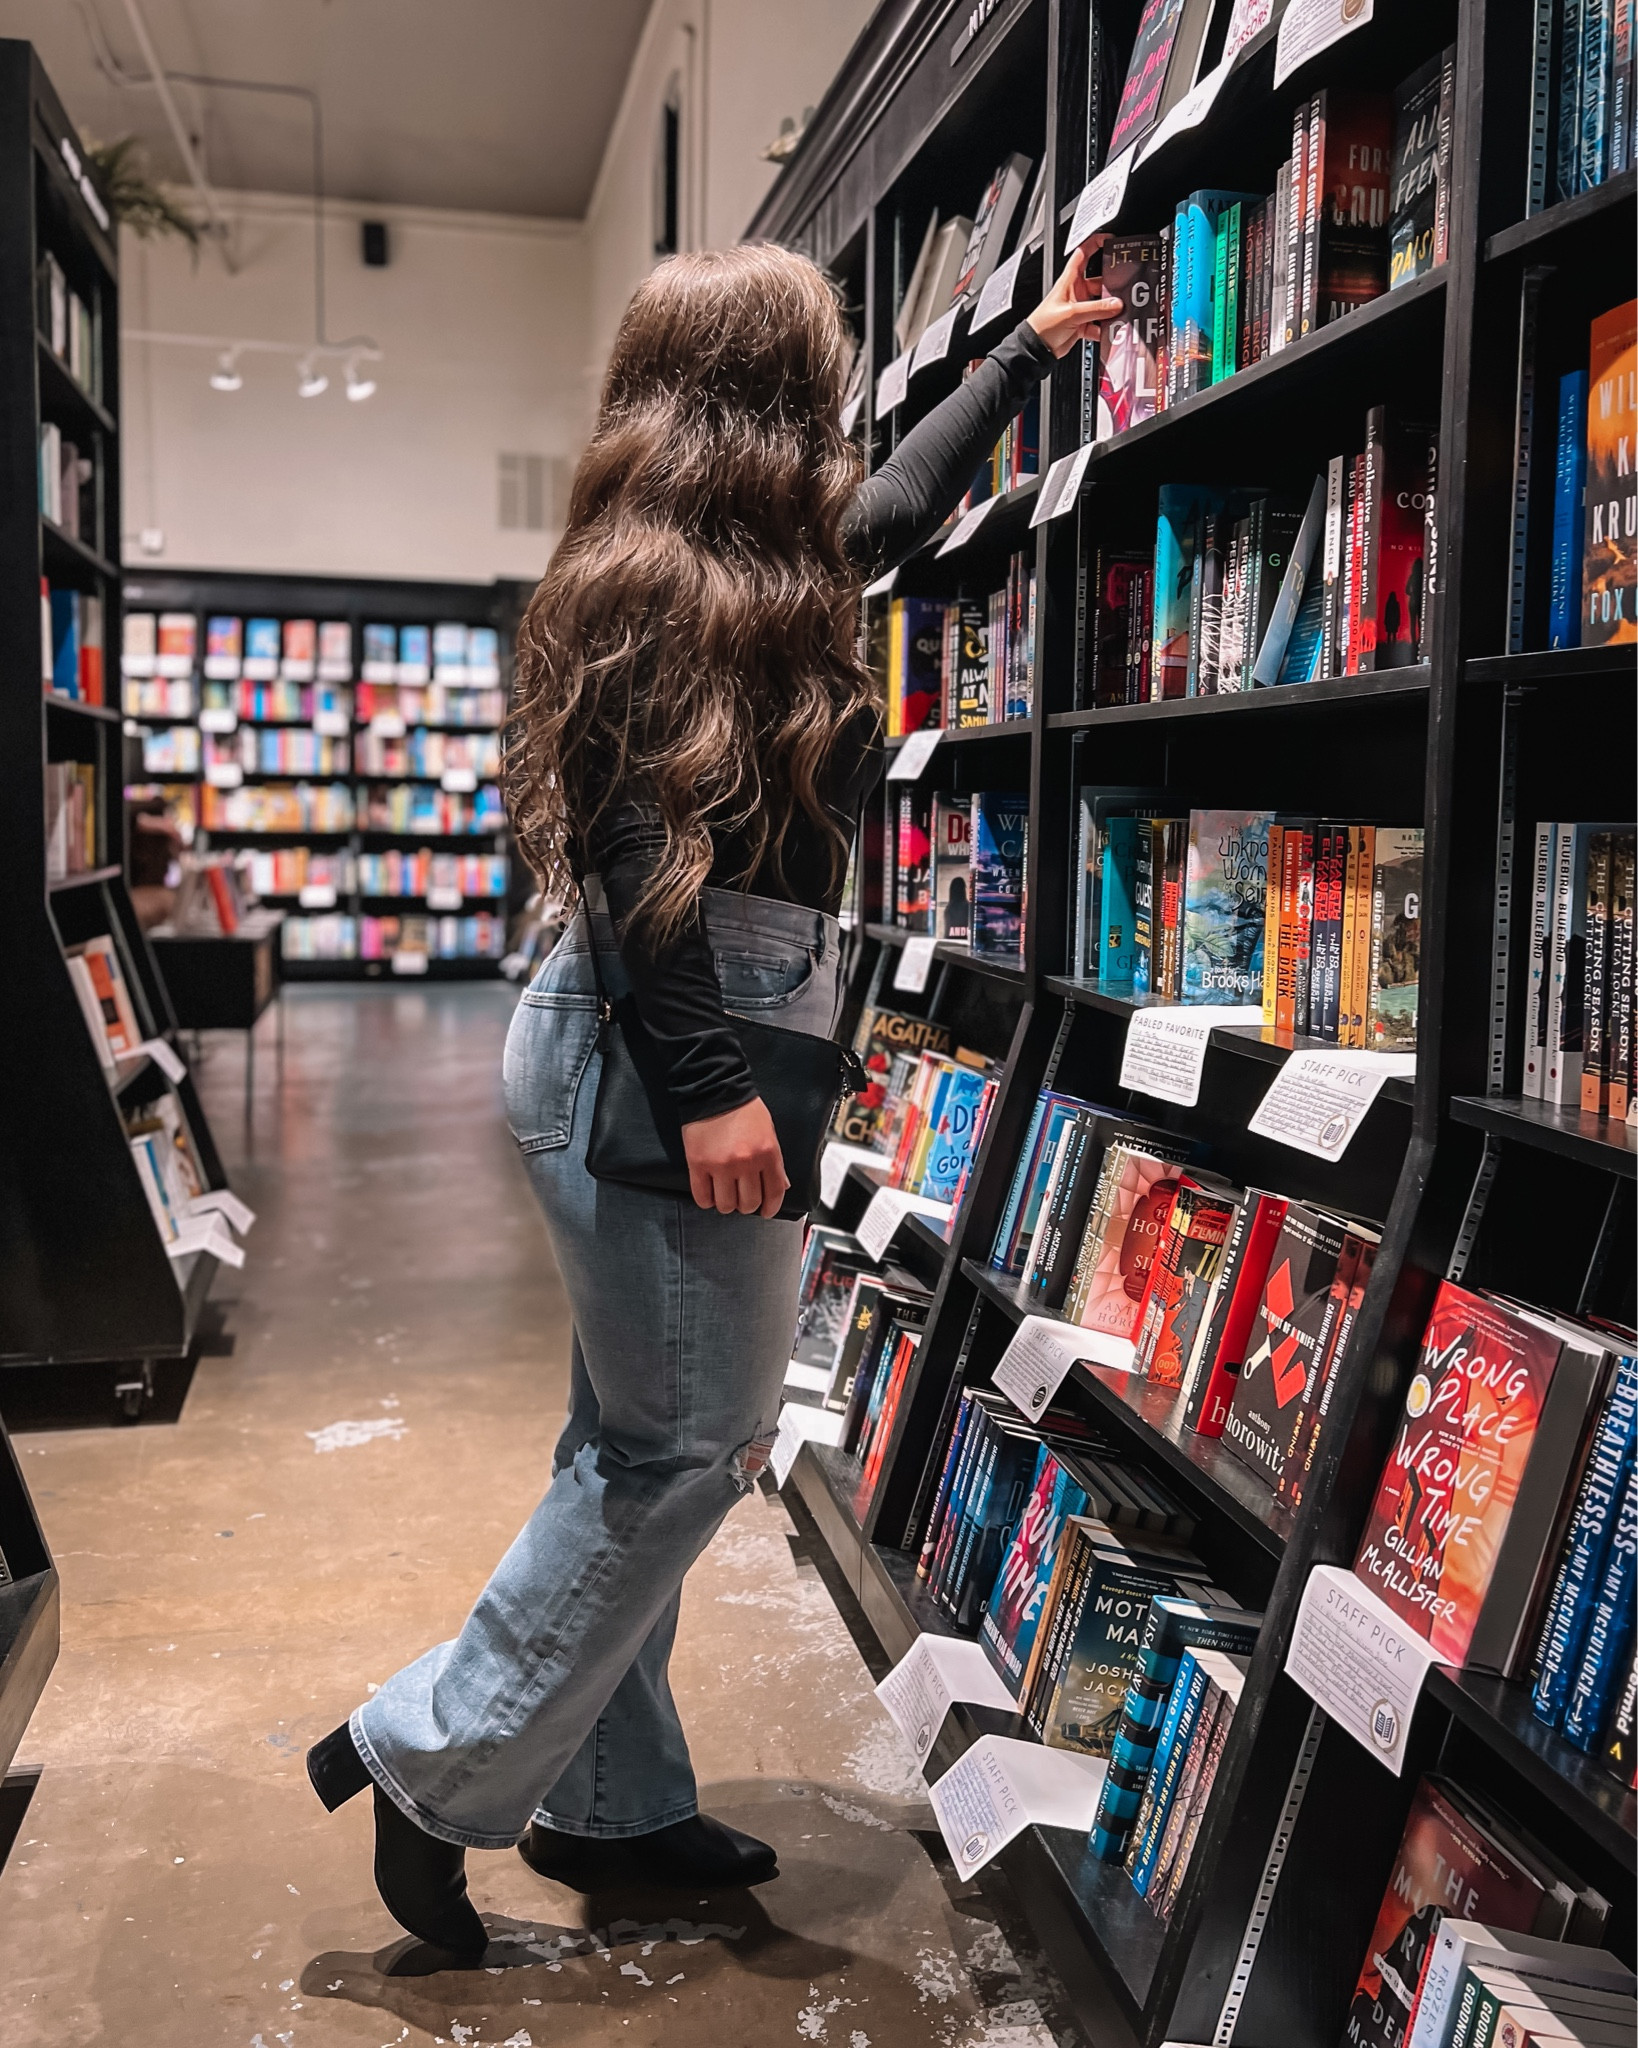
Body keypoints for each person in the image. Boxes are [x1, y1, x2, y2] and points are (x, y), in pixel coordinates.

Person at [306, 236, 1121, 1959]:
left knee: (630, 1438)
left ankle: (614, 1803)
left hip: (693, 1015)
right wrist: (705, 1093)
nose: (836, 408)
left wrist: (1023, 352)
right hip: (676, 1028)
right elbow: (629, 852)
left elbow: (890, 508)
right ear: (765, 390)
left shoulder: (745, 560)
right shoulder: (655, 588)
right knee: (690, 1450)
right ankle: (426, 1756)